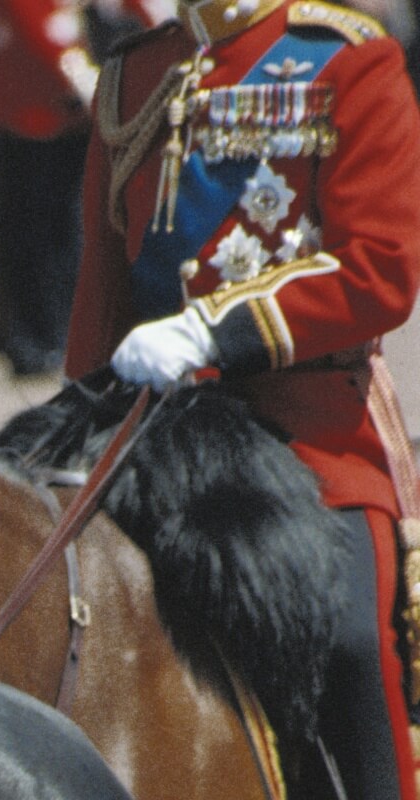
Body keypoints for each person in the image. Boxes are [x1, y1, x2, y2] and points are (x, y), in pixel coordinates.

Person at [65, 0, 420, 794]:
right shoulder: (133, 76)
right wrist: (68, 427)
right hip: (149, 433)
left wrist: (209, 333)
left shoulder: (347, 61)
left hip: (305, 430)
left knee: (352, 645)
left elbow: (380, 271)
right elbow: (104, 288)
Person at [0, 0, 99, 375]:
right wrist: (90, 85)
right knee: (27, 237)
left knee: (60, 236)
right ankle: (27, 339)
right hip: (26, 118)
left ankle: (55, 333)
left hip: (63, 119)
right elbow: (36, 30)